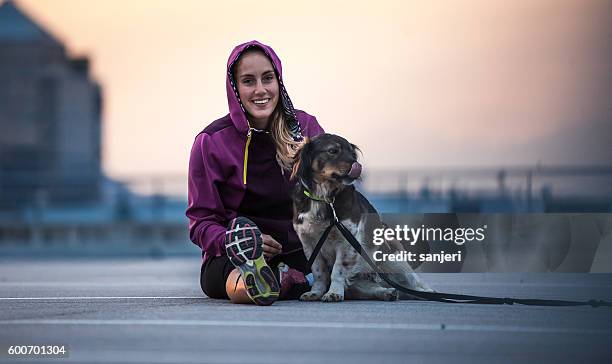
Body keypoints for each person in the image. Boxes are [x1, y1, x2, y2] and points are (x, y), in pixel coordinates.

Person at [186, 40, 324, 305]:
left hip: (302, 250)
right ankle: (268, 284)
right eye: (248, 81)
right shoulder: (211, 142)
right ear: (234, 88)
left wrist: (346, 169)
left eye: (268, 78)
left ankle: (293, 279)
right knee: (233, 279)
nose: (261, 90)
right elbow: (201, 222)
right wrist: (239, 242)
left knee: (358, 264)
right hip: (236, 257)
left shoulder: (305, 127)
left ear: (279, 81)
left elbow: (331, 192)